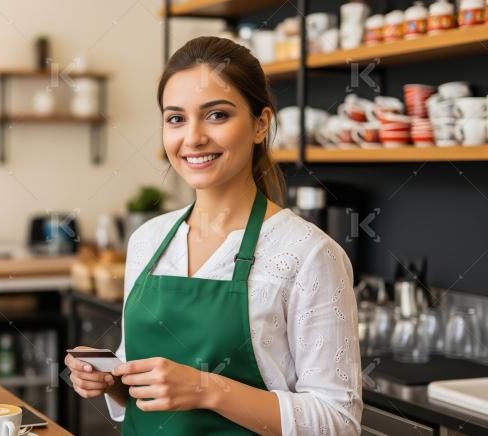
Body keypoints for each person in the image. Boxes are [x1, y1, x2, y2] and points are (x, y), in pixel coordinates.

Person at [65, 36, 362, 435]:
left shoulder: (308, 254)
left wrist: (207, 388)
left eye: (217, 115)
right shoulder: (148, 239)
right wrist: (110, 380)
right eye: (176, 118)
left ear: (261, 125)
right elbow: (144, 387)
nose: (193, 138)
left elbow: (339, 423)